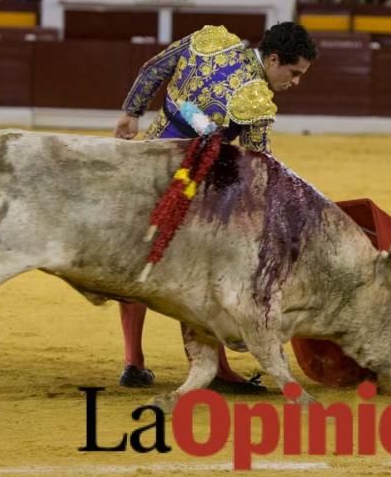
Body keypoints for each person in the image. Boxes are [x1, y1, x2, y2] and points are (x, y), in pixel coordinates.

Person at [112, 22, 318, 393]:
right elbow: (258, 166)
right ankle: (217, 369)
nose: (296, 82)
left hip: (145, 164)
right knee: (208, 272)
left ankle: (133, 362)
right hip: (189, 188)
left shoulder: (211, 41)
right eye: (294, 72)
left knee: (140, 262)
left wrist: (131, 111)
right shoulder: (256, 99)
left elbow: (153, 69)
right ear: (273, 59)